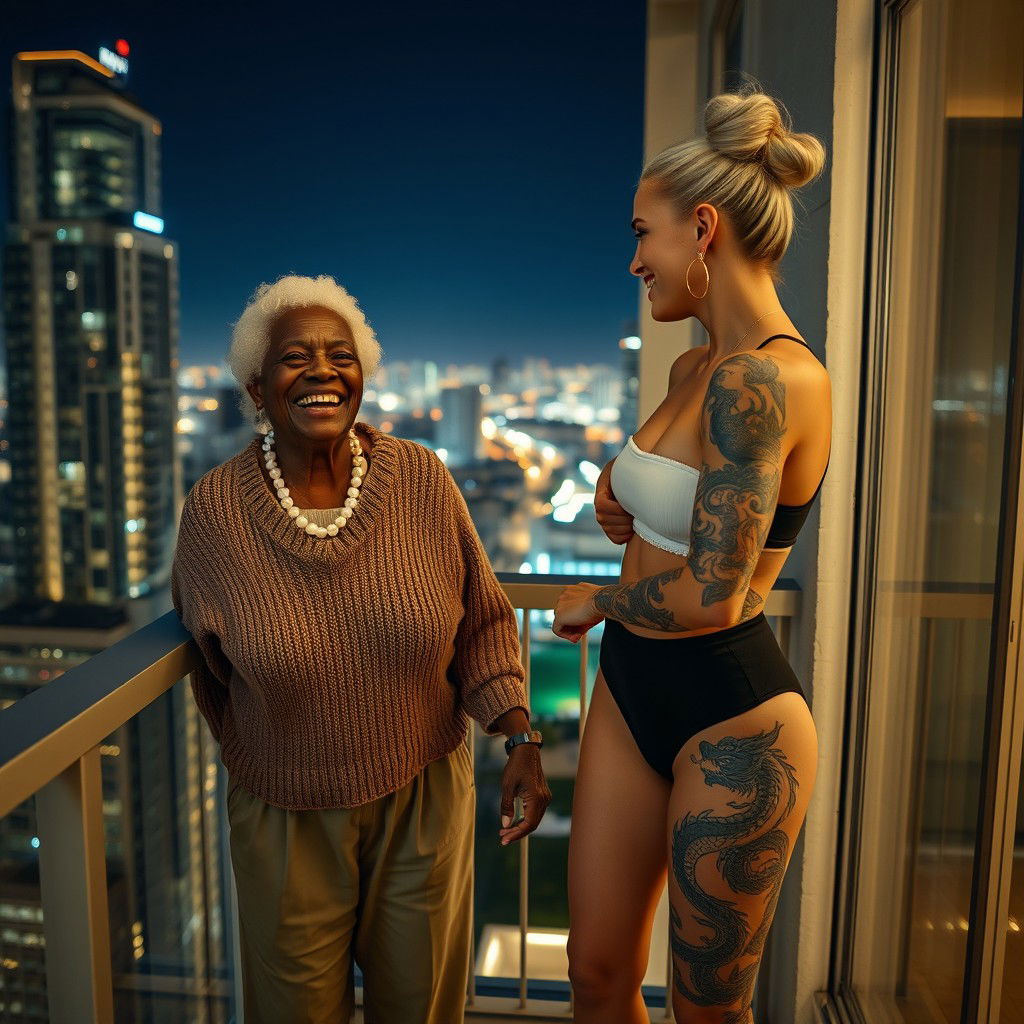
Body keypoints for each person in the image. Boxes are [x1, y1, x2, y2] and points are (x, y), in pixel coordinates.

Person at [171, 274, 551, 1024]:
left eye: (339, 354)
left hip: (425, 797)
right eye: (294, 357)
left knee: (421, 1008)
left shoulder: (420, 480)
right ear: (256, 386)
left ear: (363, 375)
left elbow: (481, 624)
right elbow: (211, 675)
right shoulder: (214, 510)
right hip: (284, 815)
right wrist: (282, 755)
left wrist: (520, 736)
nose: (320, 370)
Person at [553, 89, 831, 1024]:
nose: (635, 259)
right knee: (595, 975)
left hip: (732, 715)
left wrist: (602, 600)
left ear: (702, 228)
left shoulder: (771, 379)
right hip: (634, 687)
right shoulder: (693, 368)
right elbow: (680, 488)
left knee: (707, 1014)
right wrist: (614, 486)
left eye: (646, 234)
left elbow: (716, 595)